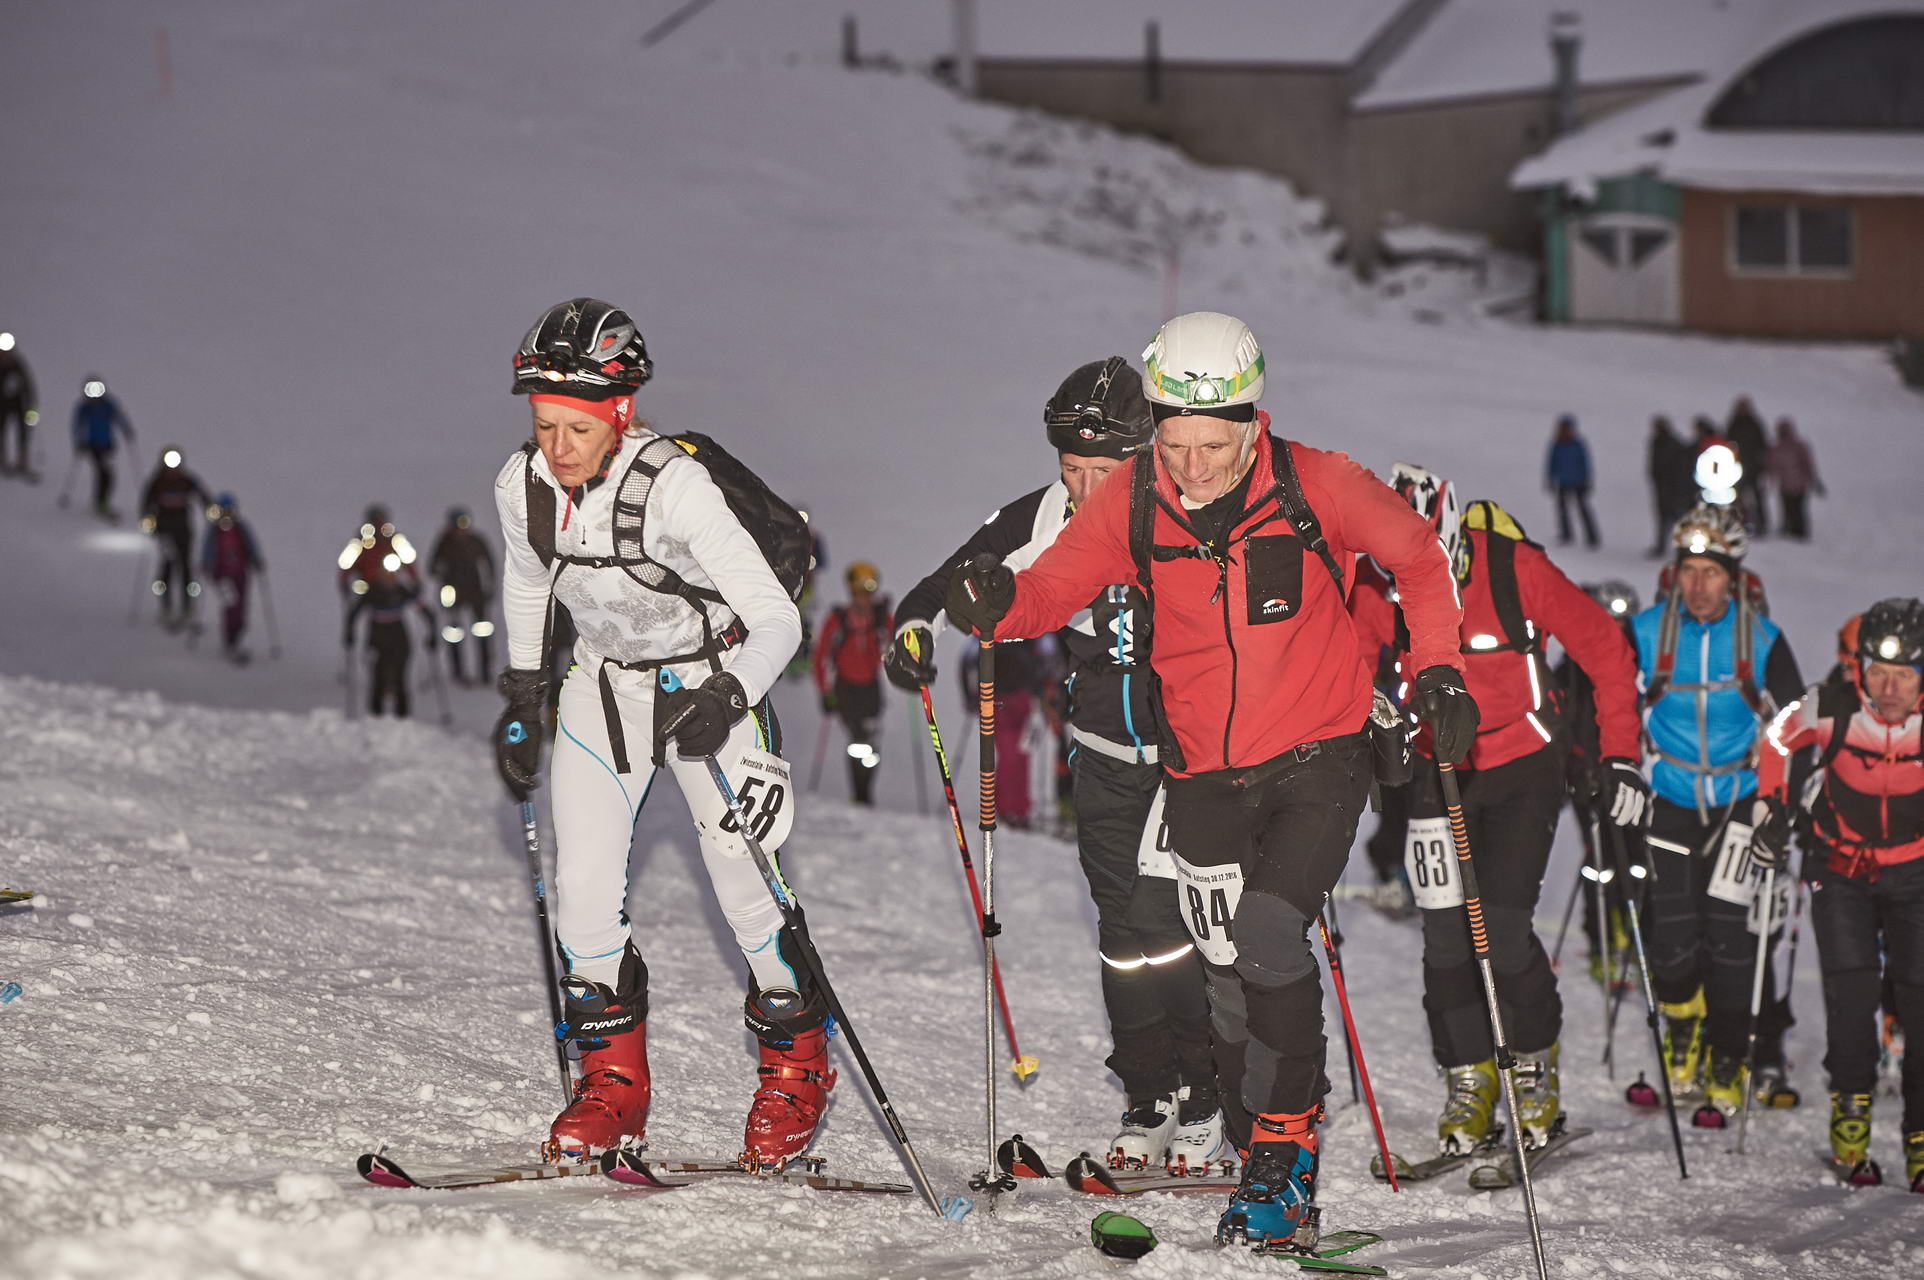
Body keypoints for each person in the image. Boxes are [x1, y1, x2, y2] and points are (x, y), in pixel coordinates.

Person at [943, 312, 1471, 1250]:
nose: (1190, 465)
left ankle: (1285, 1154)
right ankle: (1252, 1125)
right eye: (1173, 442)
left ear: (1250, 421)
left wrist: (1438, 670)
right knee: (1227, 973)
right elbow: (1052, 588)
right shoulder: (1134, 500)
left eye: (1211, 445)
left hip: (1321, 752)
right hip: (1203, 774)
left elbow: (1420, 560)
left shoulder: (1319, 482)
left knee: (1269, 937)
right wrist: (1001, 604)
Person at [491, 298, 817, 1167]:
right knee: (586, 890)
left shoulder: (674, 486)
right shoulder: (521, 486)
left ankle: (793, 1076)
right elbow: (530, 582)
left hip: (711, 687)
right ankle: (614, 1090)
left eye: (578, 427)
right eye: (544, 423)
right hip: (604, 689)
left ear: (622, 414)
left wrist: (728, 696)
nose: (557, 448)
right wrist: (525, 694)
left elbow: (777, 620)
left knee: (747, 895)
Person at [886, 357, 1227, 1170]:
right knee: (1120, 935)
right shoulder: (1044, 514)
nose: (1081, 488)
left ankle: (1206, 1091)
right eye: (1070, 469)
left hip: (1190, 761)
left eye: (1101, 472)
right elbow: (945, 582)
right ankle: (1148, 1095)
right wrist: (916, 632)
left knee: (1166, 924)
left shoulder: (1193, 514)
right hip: (1105, 757)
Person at [1350, 467, 1643, 1155]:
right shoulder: (1374, 583)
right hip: (1435, 771)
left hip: (1523, 768)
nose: (1407, 581)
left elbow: (1604, 646)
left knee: (1505, 928)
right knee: (1446, 938)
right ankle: (1470, 1076)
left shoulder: (1514, 567)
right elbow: (1358, 660)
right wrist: (1369, 719)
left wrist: (1621, 751)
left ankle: (1536, 1066)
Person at [1632, 503, 1806, 1121]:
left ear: (1733, 578)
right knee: (1673, 940)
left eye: (1712, 573)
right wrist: (1619, 769)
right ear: (1675, 574)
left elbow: (1792, 723)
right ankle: (1684, 1045)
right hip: (1674, 801)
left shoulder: (1759, 639)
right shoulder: (1649, 632)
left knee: (1732, 942)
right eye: (1689, 571)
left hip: (1737, 804)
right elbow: (1613, 707)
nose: (1699, 585)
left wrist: (1776, 802)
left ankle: (1728, 1060)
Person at [1757, 598, 1924, 1189]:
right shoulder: (1831, 702)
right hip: (1841, 868)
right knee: (1852, 996)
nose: (1889, 687)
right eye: (1878, 671)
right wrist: (1771, 806)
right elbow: (1777, 738)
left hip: (1914, 873)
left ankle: (1920, 1134)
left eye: (1906, 674)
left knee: (1918, 1000)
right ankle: (1851, 1118)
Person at [813, 561, 891, 805]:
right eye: (859, 592)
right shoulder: (838, 619)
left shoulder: (881, 618)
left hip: (871, 688)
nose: (865, 598)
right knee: (858, 739)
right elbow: (820, 656)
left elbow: (900, 642)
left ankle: (864, 791)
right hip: (846, 689)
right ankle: (861, 794)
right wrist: (825, 692)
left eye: (869, 592)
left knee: (871, 741)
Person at [139, 445, 212, 631]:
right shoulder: (157, 482)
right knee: (168, 565)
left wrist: (210, 509)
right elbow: (146, 502)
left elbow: (203, 495)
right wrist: (148, 519)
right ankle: (166, 604)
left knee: (186, 566)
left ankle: (187, 604)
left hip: (184, 530)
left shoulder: (186, 480)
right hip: (164, 530)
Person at [343, 562, 429, 717]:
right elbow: (354, 612)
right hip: (377, 639)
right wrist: (349, 633)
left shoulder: (401, 590)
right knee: (378, 676)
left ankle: (402, 716)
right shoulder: (372, 591)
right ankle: (376, 716)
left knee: (400, 677)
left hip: (399, 639)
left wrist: (432, 631)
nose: (389, 579)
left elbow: (423, 609)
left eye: (393, 575)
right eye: (385, 575)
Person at [428, 506, 497, 684]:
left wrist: (489, 587)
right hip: (453, 593)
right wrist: (441, 577)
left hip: (475, 591)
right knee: (454, 632)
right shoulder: (444, 543)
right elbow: (432, 567)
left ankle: (485, 672)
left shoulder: (476, 541)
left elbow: (489, 564)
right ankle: (458, 672)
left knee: (482, 631)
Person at [202, 492, 264, 663]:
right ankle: (231, 639)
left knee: (241, 605)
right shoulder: (214, 531)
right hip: (222, 575)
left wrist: (257, 560)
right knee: (230, 605)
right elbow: (208, 549)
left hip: (240, 573)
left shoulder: (241, 528)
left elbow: (251, 545)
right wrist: (206, 565)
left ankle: (239, 636)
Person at [70, 376, 134, 520]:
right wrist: (78, 442)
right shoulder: (84, 407)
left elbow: (119, 417)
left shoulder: (108, 404)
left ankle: (101, 501)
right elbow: (77, 425)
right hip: (93, 446)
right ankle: (100, 502)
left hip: (108, 445)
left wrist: (127, 430)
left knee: (107, 474)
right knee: (104, 473)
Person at [337, 503, 421, 597]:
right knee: (357, 607)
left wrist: (415, 580)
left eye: (380, 521)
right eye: (375, 522)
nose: (378, 525)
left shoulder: (395, 541)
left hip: (392, 583)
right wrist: (344, 583)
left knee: (416, 599)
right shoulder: (358, 544)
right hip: (369, 587)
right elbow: (347, 565)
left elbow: (408, 560)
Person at [1544, 414, 1598, 548]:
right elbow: (1551, 463)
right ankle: (1566, 534)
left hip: (1578, 482)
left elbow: (1585, 463)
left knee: (1583, 509)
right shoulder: (1556, 444)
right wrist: (1550, 478)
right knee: (1562, 510)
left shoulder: (1578, 444)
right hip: (1563, 482)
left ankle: (1592, 537)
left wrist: (1587, 480)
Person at [1646, 416, 1694, 558]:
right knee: (1663, 519)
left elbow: (1681, 469)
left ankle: (1685, 547)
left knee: (1677, 519)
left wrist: (1679, 487)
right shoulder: (1657, 443)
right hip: (1662, 488)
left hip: (1673, 489)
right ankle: (1663, 546)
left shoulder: (1673, 444)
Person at [1769, 418, 1823, 541]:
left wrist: (1814, 480)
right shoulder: (1777, 447)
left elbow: (1807, 464)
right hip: (1785, 485)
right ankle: (1788, 529)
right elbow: (1773, 466)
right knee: (1787, 508)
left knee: (1798, 509)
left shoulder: (1798, 446)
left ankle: (1800, 532)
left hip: (1799, 485)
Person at [1726, 396, 1770, 536]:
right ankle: (1739, 524)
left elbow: (1763, 445)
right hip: (1737, 468)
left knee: (1758, 498)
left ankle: (1761, 525)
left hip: (1754, 468)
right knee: (1738, 498)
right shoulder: (1733, 424)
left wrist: (1761, 463)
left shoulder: (1754, 424)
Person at [0, 332, 38, 478]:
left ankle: (22, 460)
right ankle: (3, 459)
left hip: (18, 404)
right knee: (1, 430)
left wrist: (32, 407)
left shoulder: (18, 365)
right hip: (2, 405)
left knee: (22, 432)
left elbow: (28, 386)